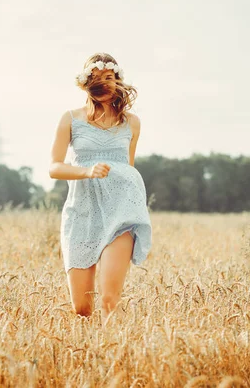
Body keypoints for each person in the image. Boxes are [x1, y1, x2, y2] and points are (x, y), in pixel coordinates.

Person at [49, 52, 153, 326]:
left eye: (110, 77)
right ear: (87, 83)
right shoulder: (70, 119)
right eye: (97, 78)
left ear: (118, 81)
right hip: (82, 212)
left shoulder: (132, 123)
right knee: (82, 308)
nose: (105, 83)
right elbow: (54, 167)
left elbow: (128, 167)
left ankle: (113, 359)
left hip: (121, 212)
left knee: (109, 300)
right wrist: (86, 171)